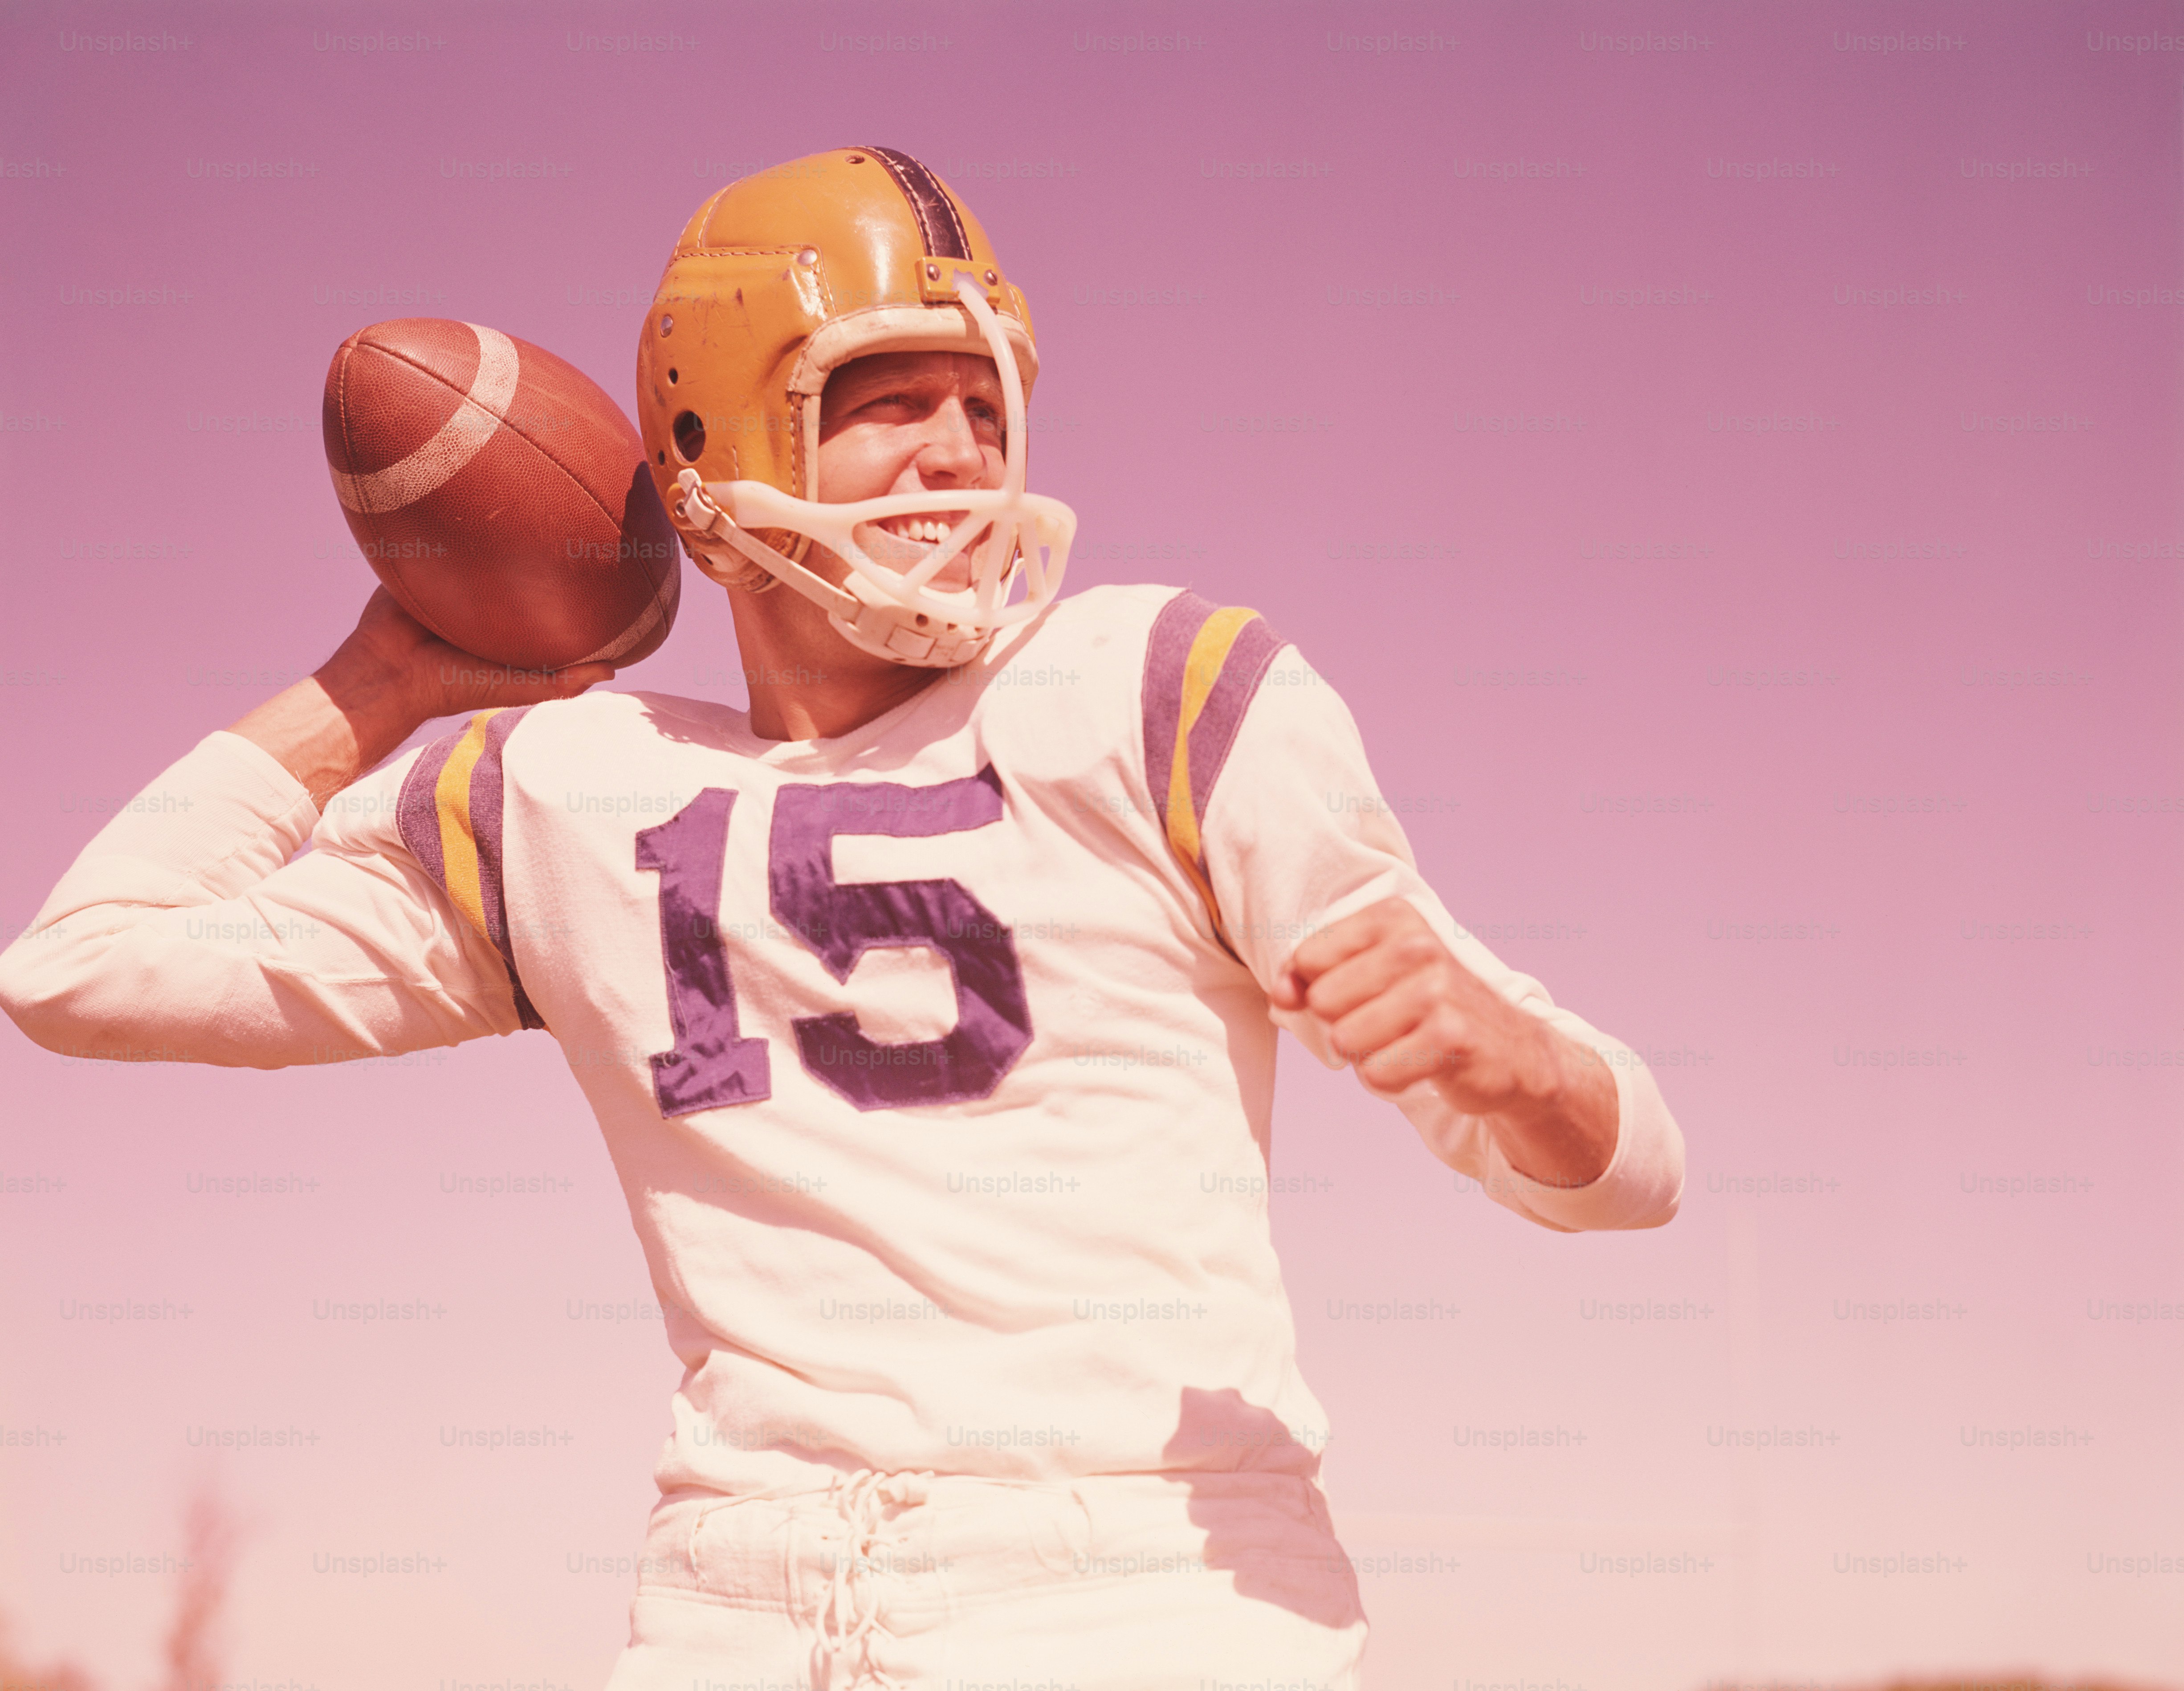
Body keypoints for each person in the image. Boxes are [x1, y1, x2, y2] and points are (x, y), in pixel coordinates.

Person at [0, 147, 1683, 1690]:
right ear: (714, 449)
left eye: (984, 400)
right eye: (885, 400)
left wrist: (1504, 1046)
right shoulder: (566, 786)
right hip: (729, 1614)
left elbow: (1632, 1173)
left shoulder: (1157, 685)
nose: (957, 452)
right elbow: (80, 966)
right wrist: (386, 676)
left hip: (1144, 1593)